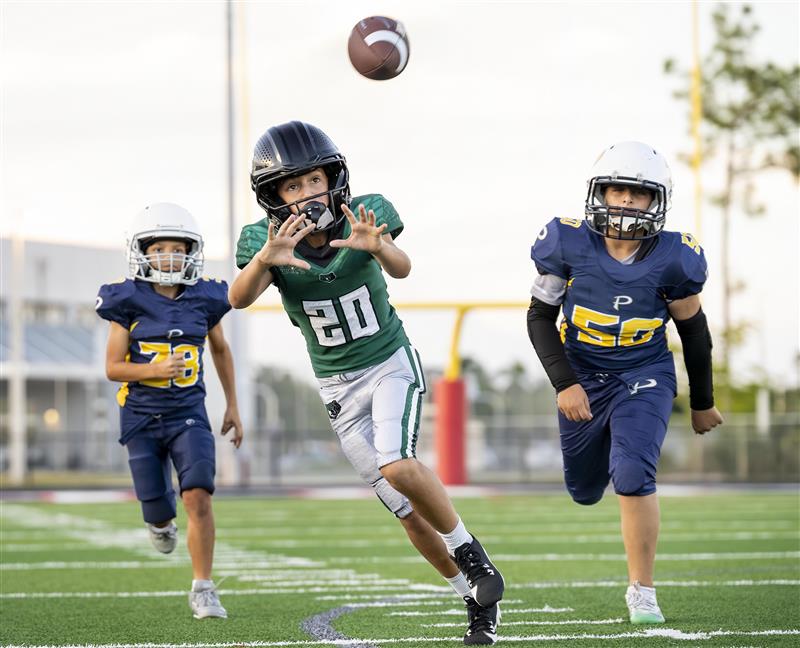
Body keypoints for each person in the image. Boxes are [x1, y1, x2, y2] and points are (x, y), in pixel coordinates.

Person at [229, 121, 504, 645]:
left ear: (333, 178)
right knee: (405, 513)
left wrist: (377, 247)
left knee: (396, 463)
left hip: (387, 363)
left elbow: (401, 268)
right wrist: (266, 259)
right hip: (336, 386)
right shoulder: (265, 242)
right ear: (273, 197)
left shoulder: (364, 215)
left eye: (314, 181)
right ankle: (471, 598)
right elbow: (239, 299)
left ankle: (472, 552)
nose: (307, 194)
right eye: (292, 186)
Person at [527, 141, 724, 624]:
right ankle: (606, 453)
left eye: (639, 194)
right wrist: (565, 383)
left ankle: (642, 590)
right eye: (618, 190)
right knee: (584, 489)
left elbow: (694, 333)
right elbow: (538, 319)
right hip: (583, 374)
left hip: (645, 373)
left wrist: (702, 401)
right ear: (600, 192)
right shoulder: (566, 243)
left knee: (634, 474)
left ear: (656, 202)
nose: (626, 202)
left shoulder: (674, 259)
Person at [96, 202, 244, 620]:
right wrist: (154, 369)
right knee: (159, 515)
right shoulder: (126, 299)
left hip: (187, 412)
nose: (169, 257)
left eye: (177, 249)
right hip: (141, 415)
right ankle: (160, 522)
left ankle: (203, 587)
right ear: (143, 252)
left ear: (190, 252)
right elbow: (112, 368)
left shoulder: (205, 297)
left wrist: (232, 403)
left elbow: (219, 348)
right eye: (160, 248)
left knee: (198, 494)